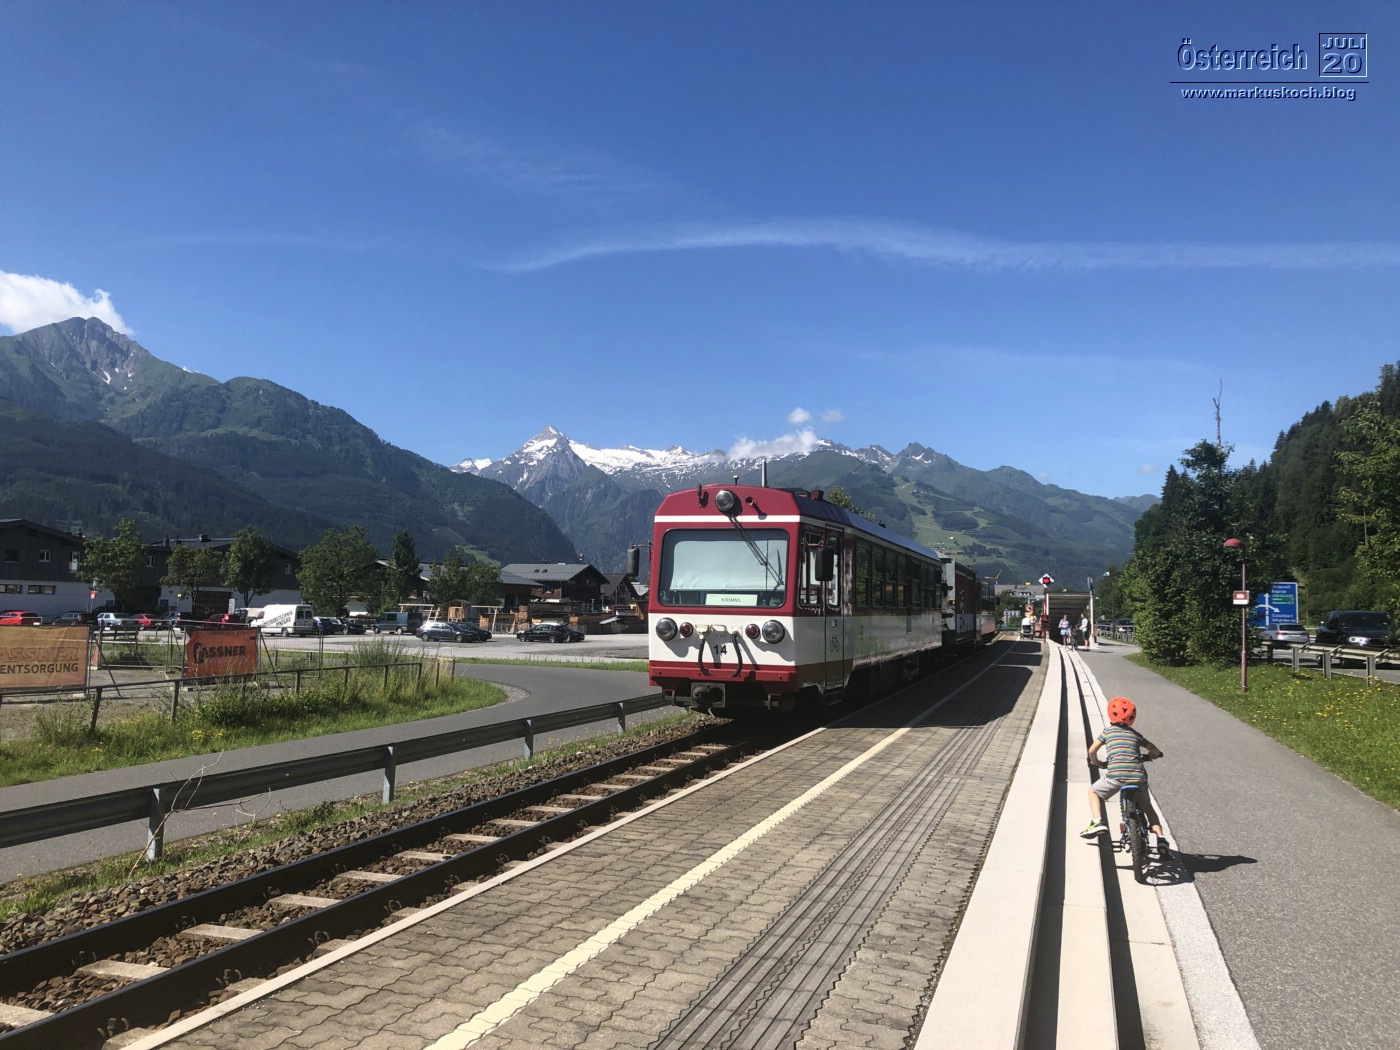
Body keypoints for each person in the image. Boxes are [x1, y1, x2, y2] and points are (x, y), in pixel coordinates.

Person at [1079, 696, 1170, 857]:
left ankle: (1097, 821)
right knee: (1147, 807)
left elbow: (1092, 750)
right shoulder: (1136, 735)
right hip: (1138, 777)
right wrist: (1153, 755)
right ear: (1132, 718)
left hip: (1116, 776)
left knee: (1093, 791)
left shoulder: (1107, 732)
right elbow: (1154, 749)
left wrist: (1097, 763)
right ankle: (1161, 838)